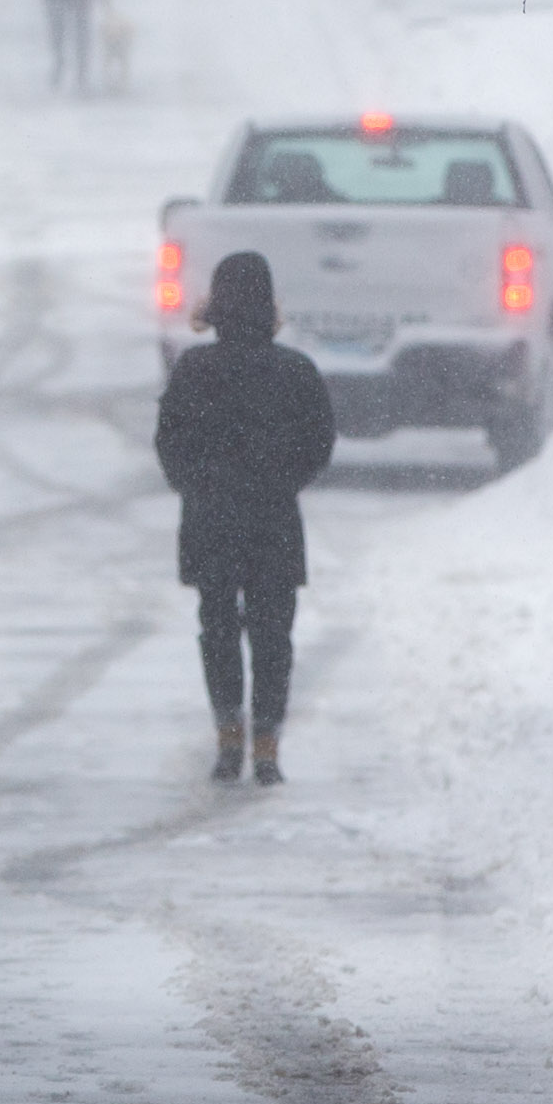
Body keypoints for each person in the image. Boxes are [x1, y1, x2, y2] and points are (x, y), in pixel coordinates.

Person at [153, 248, 336, 784]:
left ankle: (228, 734)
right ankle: (267, 744)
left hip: (210, 519)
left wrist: (198, 486)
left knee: (217, 626)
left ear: (217, 304)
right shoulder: (296, 371)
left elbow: (170, 443)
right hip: (274, 520)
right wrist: (280, 482)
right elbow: (319, 444)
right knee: (273, 631)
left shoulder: (193, 369)